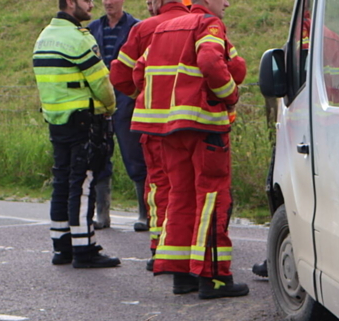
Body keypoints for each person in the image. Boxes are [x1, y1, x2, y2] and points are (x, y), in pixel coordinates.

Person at [132, 0, 249, 298]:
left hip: (168, 130)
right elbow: (210, 61)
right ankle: (215, 278)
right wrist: (230, 96)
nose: (226, 3)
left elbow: (138, 71)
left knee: (180, 196)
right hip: (204, 126)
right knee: (212, 197)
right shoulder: (208, 24)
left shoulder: (164, 28)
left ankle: (182, 276)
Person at [33, 0, 122, 268]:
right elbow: (101, 82)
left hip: (56, 120)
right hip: (84, 121)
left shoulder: (44, 37)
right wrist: (110, 107)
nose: (92, 5)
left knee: (61, 181)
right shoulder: (78, 39)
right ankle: (84, 249)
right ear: (71, 3)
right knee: (82, 184)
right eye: (86, 0)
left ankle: (62, 246)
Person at [110, 0, 191, 272]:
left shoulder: (144, 29)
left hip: (154, 124)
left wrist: (142, 95)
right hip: (192, 123)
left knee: (159, 185)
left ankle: (159, 248)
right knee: (190, 186)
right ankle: (193, 250)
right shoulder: (202, 26)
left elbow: (119, 75)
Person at [87, 0, 149, 233]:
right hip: (99, 101)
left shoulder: (137, 28)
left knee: (135, 156)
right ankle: (102, 214)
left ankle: (144, 213)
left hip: (127, 101)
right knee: (99, 156)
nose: (107, 3)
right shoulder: (93, 28)